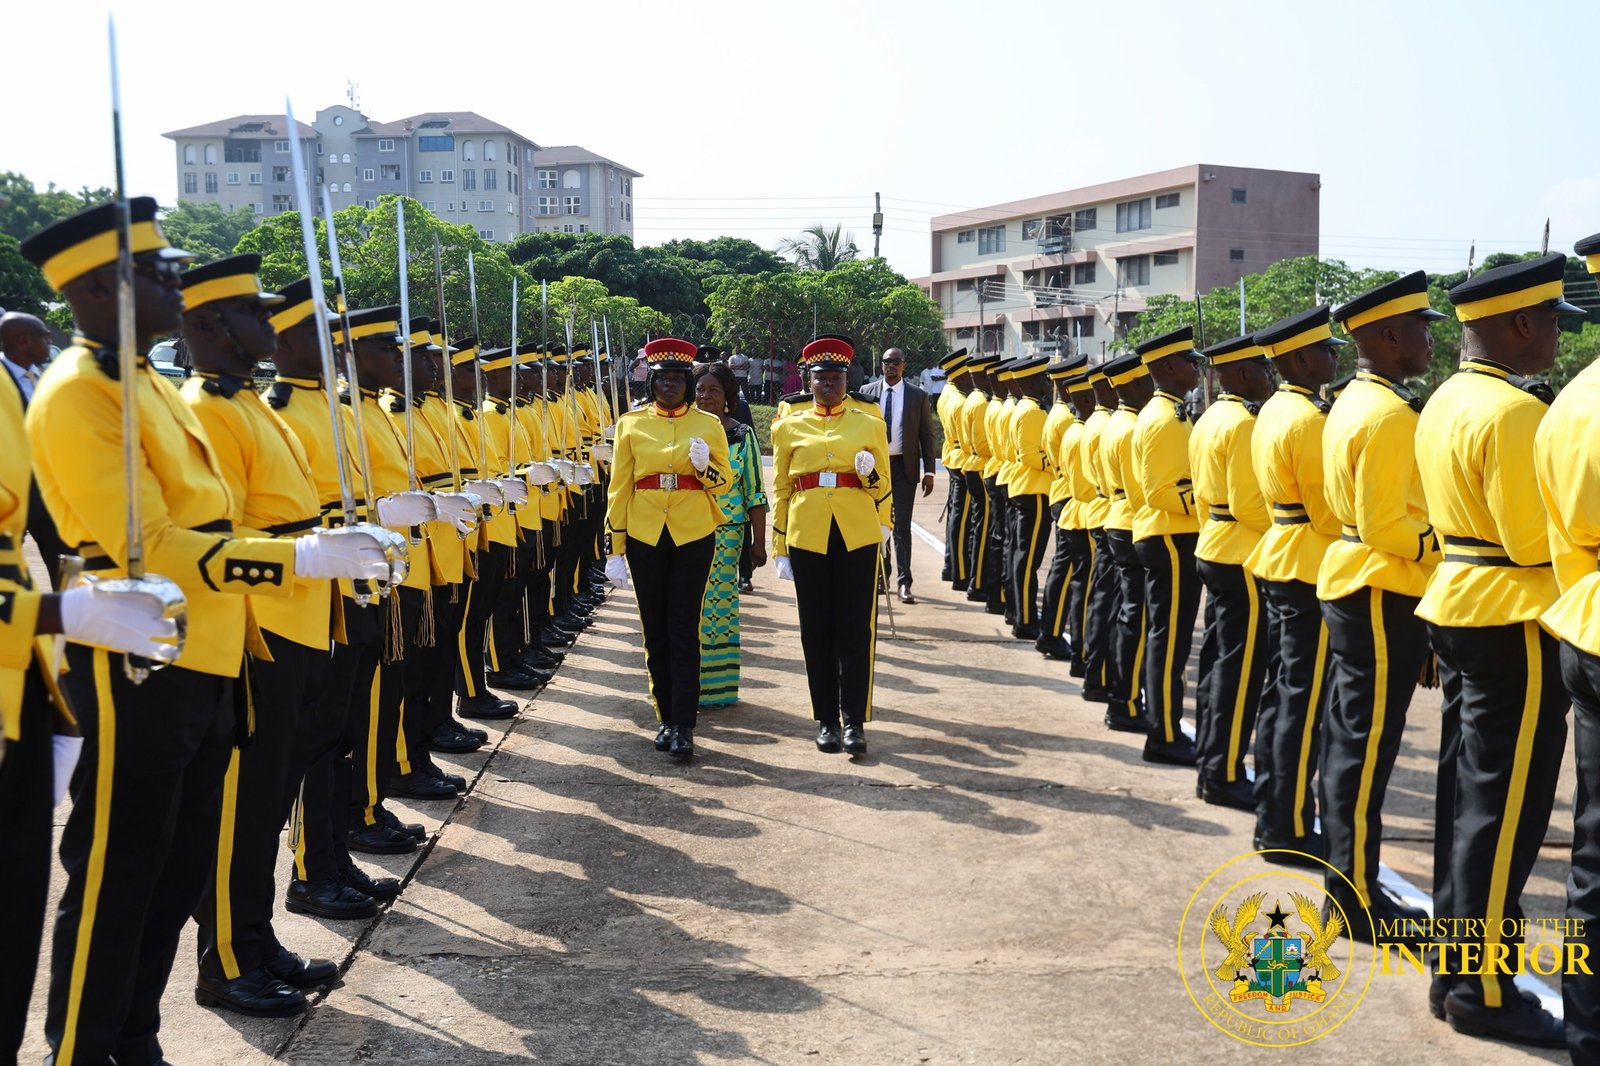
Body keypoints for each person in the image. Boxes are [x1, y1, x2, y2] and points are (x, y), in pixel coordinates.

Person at [20, 197, 397, 1066]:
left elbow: (214, 516)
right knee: (117, 878)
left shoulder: (148, 385)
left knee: (175, 871)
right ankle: (79, 1048)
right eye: (157, 272)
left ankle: (134, 1039)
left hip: (215, 655)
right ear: (99, 285)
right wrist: (294, 560)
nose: (174, 287)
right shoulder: (81, 394)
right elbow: (147, 546)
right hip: (136, 663)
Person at [0, 330, 181, 1066]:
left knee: (13, 933)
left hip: (18, 685)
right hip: (31, 646)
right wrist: (56, 615)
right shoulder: (70, 389)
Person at [175, 254, 341, 1018]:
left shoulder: (250, 402)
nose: (265, 325)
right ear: (210, 324)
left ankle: (256, 936)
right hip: (259, 629)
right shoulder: (208, 406)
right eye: (252, 313)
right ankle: (227, 962)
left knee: (270, 799)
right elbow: (224, 532)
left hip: (300, 617)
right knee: (242, 807)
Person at [1421, 258, 1576, 1047]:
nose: (1556, 334)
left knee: (1470, 800)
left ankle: (1456, 969)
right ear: (1521, 323)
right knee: (1505, 812)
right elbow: (1529, 541)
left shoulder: (1448, 397)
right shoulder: (1514, 413)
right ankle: (1481, 986)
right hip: (1512, 614)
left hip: (1461, 603)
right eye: (1551, 320)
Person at [1319, 284, 1440, 937]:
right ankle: (1355, 897)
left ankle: (1349, 883)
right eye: (1422, 327)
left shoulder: (1357, 399)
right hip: (1380, 583)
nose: (1431, 339)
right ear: (1390, 335)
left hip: (1356, 580)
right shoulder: (1390, 415)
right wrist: (1439, 546)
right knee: (1365, 751)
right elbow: (1386, 523)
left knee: (1350, 743)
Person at [1246, 306, 1342, 865]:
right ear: (1301, 357)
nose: (1335, 357)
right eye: (1327, 349)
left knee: (1283, 696)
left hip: (1283, 553)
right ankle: (1286, 827)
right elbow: (1329, 514)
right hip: (1307, 561)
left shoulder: (1279, 410)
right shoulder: (1307, 419)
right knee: (1301, 705)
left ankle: (1273, 815)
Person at [605, 337, 731, 760]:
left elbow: (723, 483)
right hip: (644, 533)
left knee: (683, 626)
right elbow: (619, 488)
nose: (670, 386)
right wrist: (615, 546)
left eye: (678, 379)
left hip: (693, 532)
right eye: (663, 379)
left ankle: (683, 723)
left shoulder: (709, 426)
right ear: (652, 382)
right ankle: (663, 714)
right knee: (654, 628)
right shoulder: (630, 424)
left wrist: (704, 466)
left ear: (688, 384)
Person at [771, 334, 891, 755]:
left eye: (837, 376)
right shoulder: (787, 426)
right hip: (808, 533)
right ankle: (825, 719)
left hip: (857, 532)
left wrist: (882, 518)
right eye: (821, 377)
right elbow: (782, 488)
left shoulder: (869, 423)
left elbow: (883, 485)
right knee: (815, 631)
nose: (829, 384)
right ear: (809, 378)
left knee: (856, 630)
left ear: (847, 379)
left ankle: (854, 720)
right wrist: (780, 544)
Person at [1543, 231, 1600, 1066]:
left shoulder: (1569, 401)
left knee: (1593, 849)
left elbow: (1565, 544)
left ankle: (1586, 1026)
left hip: (1586, 620)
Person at [1188, 335, 1275, 811]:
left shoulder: (1210, 418)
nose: (1269, 376)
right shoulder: (1241, 423)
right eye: (1261, 369)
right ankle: (1223, 773)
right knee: (1241, 671)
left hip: (1215, 541)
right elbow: (1249, 505)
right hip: (1241, 549)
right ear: (1240, 373)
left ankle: (1211, 763)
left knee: (1220, 664)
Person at [1131, 328, 1203, 767]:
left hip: (1171, 534)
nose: (1196, 367)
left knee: (1168, 640)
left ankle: (1165, 728)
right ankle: (1164, 734)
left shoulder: (1171, 412)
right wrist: (1212, 499)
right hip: (1169, 535)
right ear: (1168, 367)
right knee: (1168, 641)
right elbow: (1160, 491)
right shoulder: (1163, 418)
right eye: (1189, 360)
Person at [692, 360, 767, 706]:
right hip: (688, 528)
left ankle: (717, 689)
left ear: (728, 397)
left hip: (727, 533)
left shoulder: (741, 434)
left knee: (719, 608)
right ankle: (687, 685)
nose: (705, 396)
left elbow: (754, 490)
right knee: (689, 608)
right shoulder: (684, 431)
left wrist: (759, 542)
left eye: (714, 390)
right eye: (701, 389)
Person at [1098, 353, 1152, 733]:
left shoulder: (1115, 421)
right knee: (1136, 617)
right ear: (1134, 384)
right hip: (1132, 522)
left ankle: (1119, 694)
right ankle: (1125, 701)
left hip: (1115, 516)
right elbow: (1142, 492)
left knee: (1124, 611)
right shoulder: (1132, 426)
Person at [860, 347, 936, 604]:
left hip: (904, 468)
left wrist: (930, 472)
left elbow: (927, 435)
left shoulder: (917, 396)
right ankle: (883, 577)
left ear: (904, 366)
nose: (891, 366)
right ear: (881, 365)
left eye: (896, 362)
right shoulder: (867, 393)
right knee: (878, 525)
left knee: (901, 525)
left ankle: (905, 582)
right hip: (875, 470)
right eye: (886, 362)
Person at [0, 311, 67, 586]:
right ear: (23, 341)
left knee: (64, 562)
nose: (50, 340)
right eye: (44, 335)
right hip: (12, 495)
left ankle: (68, 617)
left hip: (50, 492)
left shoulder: (46, 378)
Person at [1036, 355, 1086, 660]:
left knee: (1063, 568)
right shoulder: (1067, 418)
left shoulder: (1057, 412)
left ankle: (1051, 631)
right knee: (1068, 571)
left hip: (1060, 491)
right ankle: (1052, 633)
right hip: (1069, 495)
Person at [1002, 357, 1055, 639]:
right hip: (1032, 488)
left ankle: (1015, 610)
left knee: (1019, 554)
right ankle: (1025, 618)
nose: (1048, 383)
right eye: (1044, 379)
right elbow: (1031, 456)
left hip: (1023, 486)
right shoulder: (1033, 411)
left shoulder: (1023, 407)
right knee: (1027, 558)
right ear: (1032, 382)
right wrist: (1056, 462)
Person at [935, 350, 971, 590]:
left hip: (953, 456)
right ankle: (958, 569)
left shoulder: (948, 393)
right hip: (961, 458)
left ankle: (951, 565)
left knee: (956, 516)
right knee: (961, 517)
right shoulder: (958, 399)